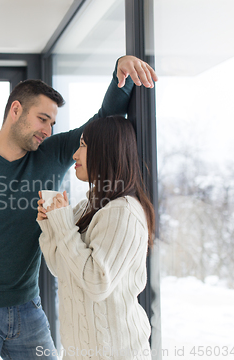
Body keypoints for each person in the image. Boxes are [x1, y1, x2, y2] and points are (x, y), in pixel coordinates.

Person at [0, 56, 157, 360]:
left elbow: (104, 121)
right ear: (16, 110)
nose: (48, 130)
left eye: (52, 123)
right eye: (42, 119)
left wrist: (123, 74)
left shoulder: (51, 154)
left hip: (28, 309)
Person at [36, 115, 156, 359]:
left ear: (104, 150)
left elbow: (96, 283)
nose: (75, 156)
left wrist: (63, 224)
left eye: (82, 145)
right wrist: (51, 226)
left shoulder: (123, 211)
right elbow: (62, 268)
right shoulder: (86, 207)